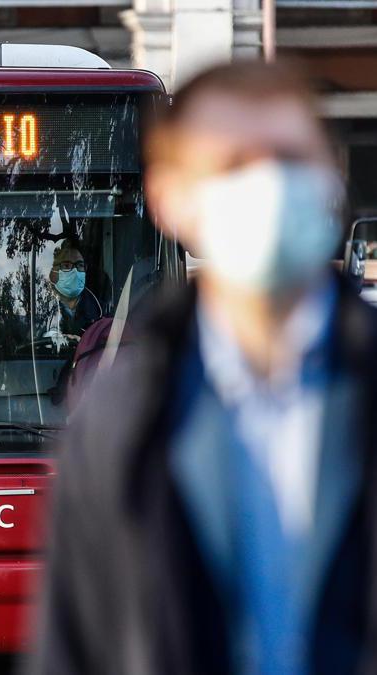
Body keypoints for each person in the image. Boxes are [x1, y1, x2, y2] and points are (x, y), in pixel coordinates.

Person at [29, 61, 377, 674]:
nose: (268, 186)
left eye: (291, 158)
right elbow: (77, 646)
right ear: (169, 199)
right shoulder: (118, 418)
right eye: (233, 165)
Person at [47, 239, 102, 340]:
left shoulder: (100, 310)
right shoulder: (42, 307)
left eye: (80, 265)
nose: (74, 272)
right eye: (67, 265)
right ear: (54, 273)